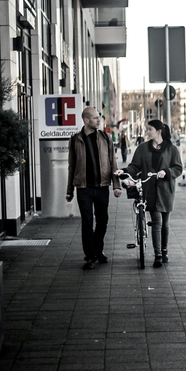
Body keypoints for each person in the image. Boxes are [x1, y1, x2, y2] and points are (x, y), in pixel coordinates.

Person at [117, 120, 183, 268]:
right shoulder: (142, 148)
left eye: (150, 129)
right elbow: (135, 166)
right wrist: (125, 171)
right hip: (150, 190)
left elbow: (178, 168)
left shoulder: (172, 149)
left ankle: (164, 251)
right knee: (157, 222)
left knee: (165, 224)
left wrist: (166, 172)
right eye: (147, 129)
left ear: (159, 131)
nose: (147, 132)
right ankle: (158, 255)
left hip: (166, 191)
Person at [66, 107, 122, 270]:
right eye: (96, 118)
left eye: (99, 118)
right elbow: (72, 166)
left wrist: (116, 185)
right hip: (84, 188)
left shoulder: (106, 137)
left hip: (102, 186)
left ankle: (98, 250)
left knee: (103, 221)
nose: (99, 120)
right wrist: (70, 190)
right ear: (86, 120)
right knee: (87, 222)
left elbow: (113, 162)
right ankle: (90, 256)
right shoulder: (75, 140)